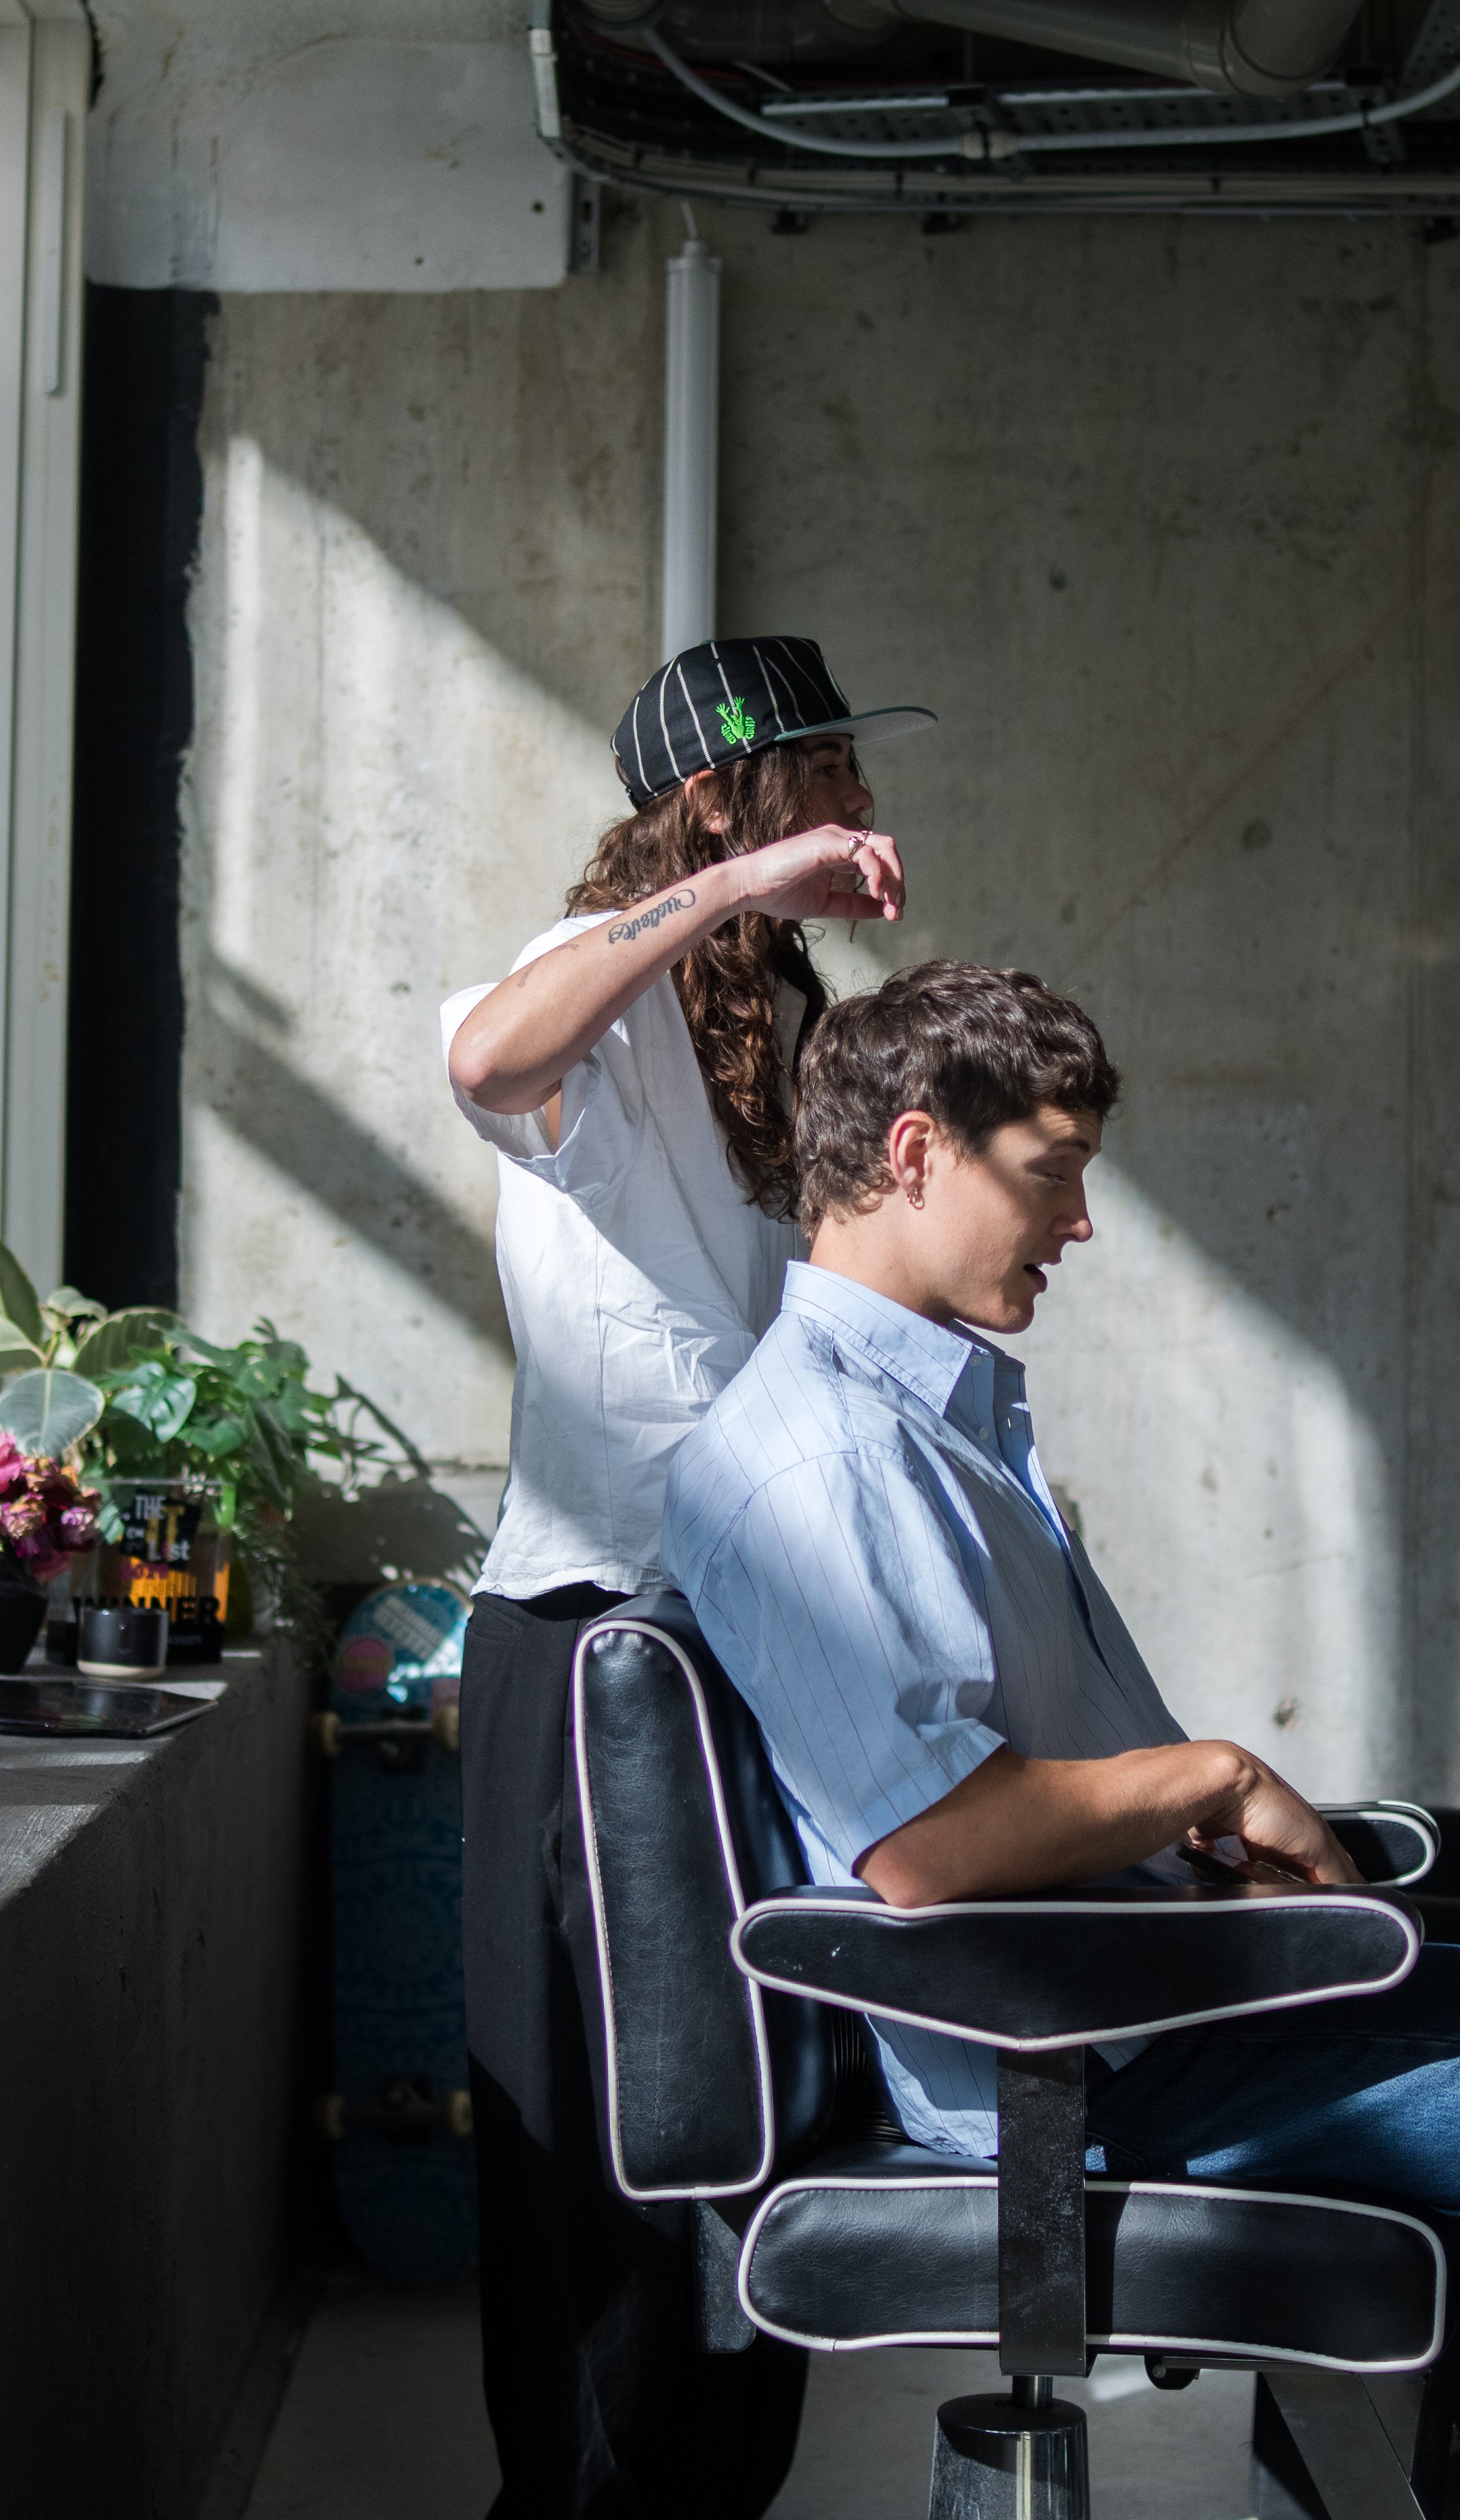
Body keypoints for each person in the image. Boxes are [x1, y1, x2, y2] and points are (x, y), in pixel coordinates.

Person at [660, 960, 1460, 2520]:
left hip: (1139, 2003)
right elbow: (926, 1846)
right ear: (916, 1153)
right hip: (1084, 2061)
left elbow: (1003, 1783)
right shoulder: (816, 1458)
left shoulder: (930, 1426)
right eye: (1053, 1175)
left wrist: (1193, 1863)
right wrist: (1210, 1773)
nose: (1080, 1225)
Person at [440, 637, 935, 2519]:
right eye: (827, 774)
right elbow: (490, 1049)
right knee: (587, 2168)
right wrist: (726, 887)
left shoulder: (785, 1035)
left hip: (757, 1657)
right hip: (586, 1659)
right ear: (721, 797)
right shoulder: (588, 1007)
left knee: (760, 2127)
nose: (864, 817)